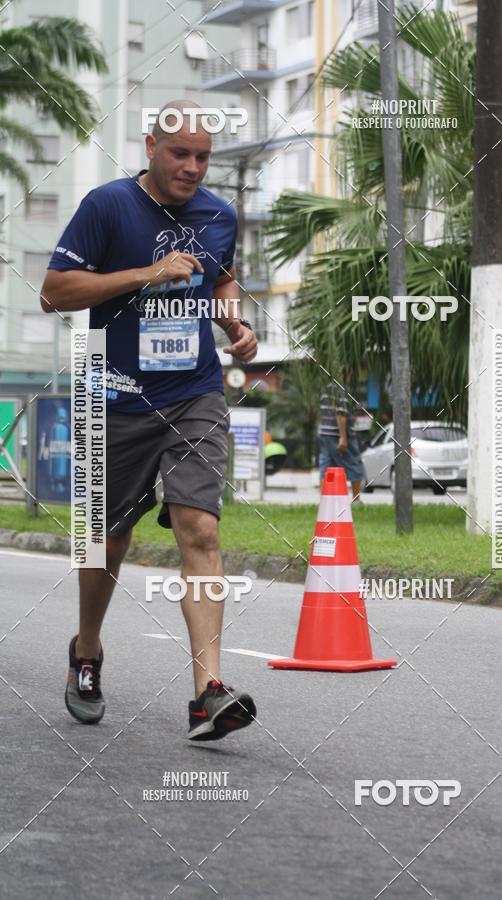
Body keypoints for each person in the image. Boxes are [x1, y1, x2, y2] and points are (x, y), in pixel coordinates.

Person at [40, 100, 258, 742]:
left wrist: (234, 320)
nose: (192, 168)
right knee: (106, 540)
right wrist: (146, 273)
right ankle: (87, 651)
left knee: (199, 526)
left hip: (194, 393)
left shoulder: (220, 214)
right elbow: (54, 292)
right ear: (150, 147)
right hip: (114, 395)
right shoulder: (107, 206)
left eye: (202, 158)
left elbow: (221, 280)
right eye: (179, 154)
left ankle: (207, 693)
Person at [318, 380, 364, 501]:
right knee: (355, 464)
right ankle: (356, 500)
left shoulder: (326, 387)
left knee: (326, 467)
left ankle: (325, 501)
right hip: (339, 434)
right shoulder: (342, 389)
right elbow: (341, 413)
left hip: (324, 433)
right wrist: (343, 437)